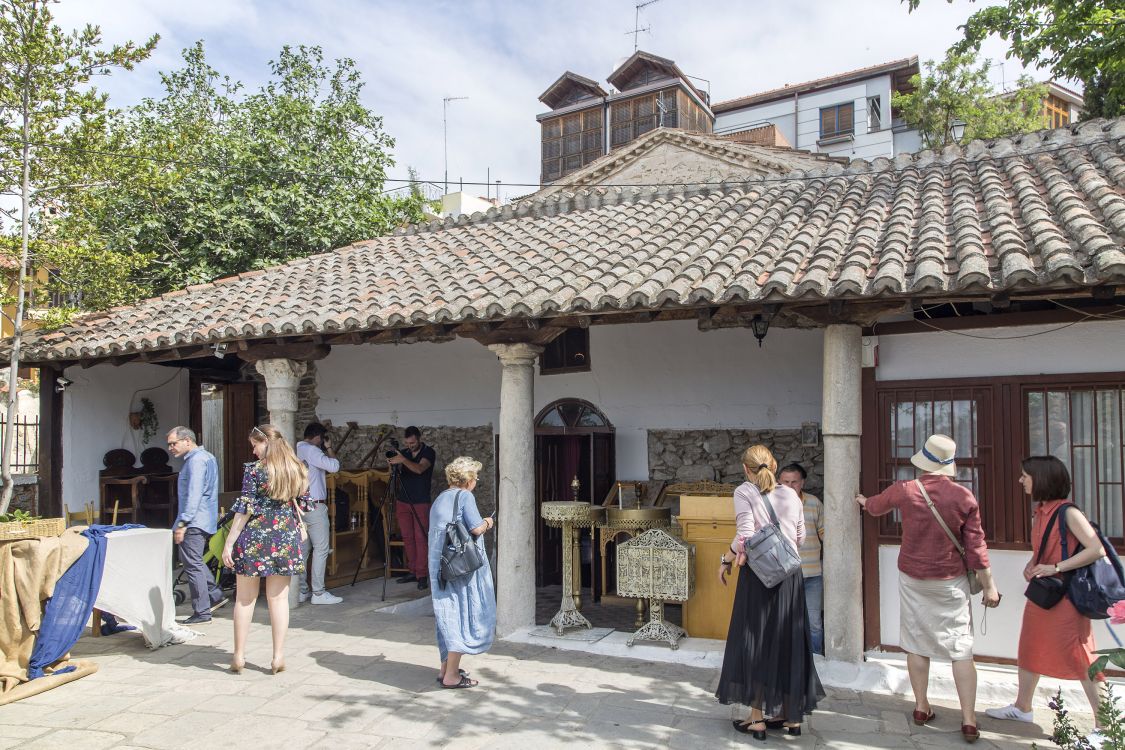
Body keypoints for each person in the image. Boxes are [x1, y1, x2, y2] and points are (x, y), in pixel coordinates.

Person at [856, 434, 1001, 744]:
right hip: (951, 580)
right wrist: (989, 586)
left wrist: (864, 502)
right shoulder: (964, 496)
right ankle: (969, 719)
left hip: (913, 576)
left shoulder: (906, 489)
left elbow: (876, 507)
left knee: (917, 642)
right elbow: (976, 547)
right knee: (960, 648)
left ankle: (921, 707)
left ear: (923, 461)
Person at [985, 455, 1107, 747]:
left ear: (1041, 479)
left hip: (1066, 596)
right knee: (1030, 646)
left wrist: (1055, 568)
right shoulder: (1040, 512)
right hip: (1044, 594)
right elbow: (1048, 548)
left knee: (1082, 657)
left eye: (1025, 476)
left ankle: (1106, 725)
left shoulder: (1068, 512)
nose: (1021, 481)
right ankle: (1022, 707)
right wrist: (1033, 564)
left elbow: (1096, 549)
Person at [716, 444, 824, 739]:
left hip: (759, 578)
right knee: (788, 642)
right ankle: (791, 718)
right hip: (790, 576)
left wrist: (726, 559)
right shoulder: (791, 494)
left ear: (745, 469)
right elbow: (800, 537)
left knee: (756, 642)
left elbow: (745, 535)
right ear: (774, 466)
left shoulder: (744, 492)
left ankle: (757, 719)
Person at [221, 425, 310, 675]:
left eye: (255, 445)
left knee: (244, 599)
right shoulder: (297, 469)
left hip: (255, 536)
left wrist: (229, 543)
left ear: (266, 443)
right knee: (278, 600)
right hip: (285, 537)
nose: (253, 450)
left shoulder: (255, 470)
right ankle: (278, 656)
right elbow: (303, 503)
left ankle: (239, 655)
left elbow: (244, 510)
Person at [428, 456, 495, 688]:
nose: (476, 481)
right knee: (460, 614)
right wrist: (488, 522)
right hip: (460, 568)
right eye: (476, 477)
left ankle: (446, 668)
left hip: (441, 566)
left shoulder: (440, 498)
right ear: (468, 480)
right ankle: (451, 676)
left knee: (447, 614)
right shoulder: (465, 496)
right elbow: (476, 528)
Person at [167, 426, 225, 625]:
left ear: (187, 441)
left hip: (194, 520)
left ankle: (202, 611)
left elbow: (194, 493)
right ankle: (215, 595)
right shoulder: (206, 457)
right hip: (202, 518)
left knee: (192, 565)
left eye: (173, 443)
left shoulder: (197, 460)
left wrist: (183, 522)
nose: (170, 448)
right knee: (195, 562)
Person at [778, 463, 825, 655]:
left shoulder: (814, 503)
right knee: (784, 621)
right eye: (785, 482)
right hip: (783, 574)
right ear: (778, 482)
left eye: (794, 482)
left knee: (814, 622)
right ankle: (786, 660)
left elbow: (825, 533)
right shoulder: (772, 504)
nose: (790, 486)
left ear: (803, 482)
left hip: (812, 574)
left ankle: (816, 660)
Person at [295, 422, 342, 605]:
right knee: (321, 549)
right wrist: (329, 448)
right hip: (314, 504)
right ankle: (318, 592)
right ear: (317, 438)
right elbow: (334, 466)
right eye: (322, 440)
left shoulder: (296, 449)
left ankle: (301, 590)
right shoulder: (313, 451)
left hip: (299, 505)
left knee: (303, 550)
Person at [389, 426, 436, 590]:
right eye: (407, 443)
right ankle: (413, 571)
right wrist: (392, 463)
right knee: (408, 538)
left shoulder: (428, 452)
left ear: (419, 438)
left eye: (413, 443)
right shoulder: (404, 453)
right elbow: (394, 473)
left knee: (421, 538)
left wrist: (402, 460)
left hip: (420, 501)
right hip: (403, 501)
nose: (410, 446)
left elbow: (420, 469)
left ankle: (422, 575)